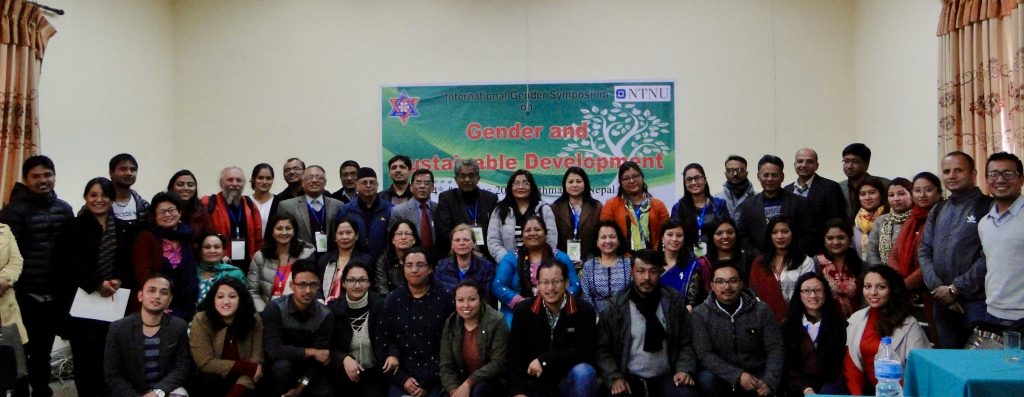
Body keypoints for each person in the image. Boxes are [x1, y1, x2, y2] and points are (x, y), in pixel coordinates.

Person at [0, 155, 74, 397]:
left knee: (43, 350)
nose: (43, 180)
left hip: (56, 296)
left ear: (54, 176)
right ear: (26, 179)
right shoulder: (13, 212)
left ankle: (43, 392)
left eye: (47, 175)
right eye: (36, 176)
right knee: (21, 351)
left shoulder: (64, 209)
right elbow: (9, 255)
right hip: (23, 296)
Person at [596, 249, 698, 397]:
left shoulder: (673, 302)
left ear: (660, 272)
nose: (647, 277)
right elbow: (603, 350)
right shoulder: (616, 307)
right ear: (632, 273)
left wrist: (684, 369)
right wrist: (615, 377)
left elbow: (685, 343)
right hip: (629, 377)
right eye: (641, 271)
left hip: (667, 376)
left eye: (653, 271)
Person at [67, 177, 134, 397]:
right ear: (85, 198)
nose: (99, 199)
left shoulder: (123, 228)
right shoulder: (73, 226)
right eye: (93, 195)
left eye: (104, 194)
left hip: (114, 301)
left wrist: (119, 280)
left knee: (111, 356)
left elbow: (127, 261)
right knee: (84, 358)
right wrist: (97, 283)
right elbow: (69, 262)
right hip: (83, 301)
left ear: (112, 198)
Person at [919, 151, 993, 348]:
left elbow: (989, 256)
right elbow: (925, 251)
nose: (951, 176)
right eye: (946, 171)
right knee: (948, 360)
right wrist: (940, 290)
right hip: (942, 301)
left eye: (958, 170)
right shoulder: (939, 209)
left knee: (974, 363)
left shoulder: (987, 207)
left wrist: (956, 288)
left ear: (973, 173)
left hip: (975, 301)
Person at [507, 259, 599, 397]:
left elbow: (586, 352)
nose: (550, 288)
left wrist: (546, 360)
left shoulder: (584, 311)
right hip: (534, 382)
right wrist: (518, 391)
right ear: (537, 285)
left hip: (567, 380)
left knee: (585, 372)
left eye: (556, 281)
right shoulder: (523, 310)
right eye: (545, 282)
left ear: (566, 283)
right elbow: (515, 355)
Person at [692, 263, 783, 397]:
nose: (727, 287)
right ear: (712, 286)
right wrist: (737, 375)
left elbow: (775, 348)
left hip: (756, 373)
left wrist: (770, 381)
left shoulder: (761, 310)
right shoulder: (700, 314)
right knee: (706, 379)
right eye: (720, 282)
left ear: (741, 284)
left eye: (733, 281)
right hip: (722, 374)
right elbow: (704, 354)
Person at [377, 247, 454, 397]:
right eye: (409, 265)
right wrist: (403, 379)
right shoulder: (392, 300)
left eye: (420, 265)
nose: (414, 270)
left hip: (439, 376)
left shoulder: (445, 297)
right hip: (402, 377)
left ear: (430, 268)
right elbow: (382, 343)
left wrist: (427, 384)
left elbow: (451, 345)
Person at [843, 265, 929, 395]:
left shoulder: (909, 324)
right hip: (868, 391)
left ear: (893, 290)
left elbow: (920, 372)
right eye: (867, 286)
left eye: (881, 287)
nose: (873, 292)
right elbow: (851, 366)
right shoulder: (856, 319)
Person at [104, 275, 192, 397]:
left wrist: (158, 392)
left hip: (165, 391)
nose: (157, 296)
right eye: (151, 290)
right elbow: (113, 374)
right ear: (140, 296)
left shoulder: (178, 326)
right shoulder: (118, 328)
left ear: (169, 300)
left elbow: (182, 367)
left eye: (164, 293)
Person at [260, 262, 335, 397]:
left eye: (313, 285)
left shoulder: (325, 315)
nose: (308, 290)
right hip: (279, 368)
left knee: (325, 391)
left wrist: (299, 389)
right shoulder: (275, 308)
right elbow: (273, 351)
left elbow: (319, 360)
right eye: (302, 285)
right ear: (291, 286)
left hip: (309, 374)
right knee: (281, 368)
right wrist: (310, 352)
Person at [493, 215, 580, 326]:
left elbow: (575, 285)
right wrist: (521, 302)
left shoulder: (560, 257)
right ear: (522, 235)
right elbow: (498, 286)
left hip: (555, 308)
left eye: (537, 229)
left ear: (545, 233)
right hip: (517, 311)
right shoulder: (510, 258)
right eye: (528, 230)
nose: (532, 233)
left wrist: (555, 299)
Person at [886, 172, 943, 341]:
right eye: (917, 190)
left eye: (928, 190)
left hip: (930, 293)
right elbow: (894, 254)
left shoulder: (942, 217)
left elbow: (931, 260)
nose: (922, 195)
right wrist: (898, 283)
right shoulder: (912, 218)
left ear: (939, 193)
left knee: (931, 342)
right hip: (906, 294)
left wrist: (904, 286)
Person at [189, 277, 264, 397]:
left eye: (232, 296)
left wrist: (236, 392)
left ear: (241, 299)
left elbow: (257, 361)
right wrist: (246, 367)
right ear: (213, 299)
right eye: (220, 297)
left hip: (243, 381)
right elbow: (204, 363)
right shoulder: (201, 320)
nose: (226, 302)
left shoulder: (253, 319)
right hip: (212, 379)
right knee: (209, 381)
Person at [133, 192, 199, 320]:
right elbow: (142, 274)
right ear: (155, 216)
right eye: (162, 211)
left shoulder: (187, 236)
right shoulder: (146, 237)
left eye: (171, 210)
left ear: (179, 212)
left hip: (184, 305)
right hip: (155, 303)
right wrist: (160, 303)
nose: (167, 215)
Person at [978, 152, 1024, 332]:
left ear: (1021, 179)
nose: (1000, 179)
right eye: (994, 174)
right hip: (993, 313)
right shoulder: (985, 223)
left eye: (1008, 174)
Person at [439, 280, 509, 397]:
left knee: (479, 392)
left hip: (491, 382)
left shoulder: (496, 321)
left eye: (472, 299)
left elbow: (498, 363)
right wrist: (454, 391)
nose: (466, 305)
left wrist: (469, 383)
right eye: (460, 300)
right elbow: (446, 366)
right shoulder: (451, 323)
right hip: (460, 382)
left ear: (481, 300)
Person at [782, 273, 848, 396]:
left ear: (826, 293)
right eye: (807, 291)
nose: (813, 295)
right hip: (797, 388)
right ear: (799, 294)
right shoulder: (788, 326)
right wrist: (805, 389)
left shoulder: (839, 324)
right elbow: (788, 364)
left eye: (818, 290)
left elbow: (842, 363)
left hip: (832, 388)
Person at [326, 261, 385, 397]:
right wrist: (343, 358)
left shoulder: (381, 305)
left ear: (369, 283)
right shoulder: (333, 309)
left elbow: (390, 339)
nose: (357, 285)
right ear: (343, 283)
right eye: (351, 280)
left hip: (375, 373)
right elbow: (328, 346)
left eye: (362, 280)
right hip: (342, 372)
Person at [736, 154, 813, 254]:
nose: (769, 179)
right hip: (759, 261)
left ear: (782, 177)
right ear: (758, 177)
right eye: (765, 175)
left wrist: (791, 255)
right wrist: (758, 256)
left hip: (792, 260)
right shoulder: (748, 205)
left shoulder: (800, 203)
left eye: (774, 175)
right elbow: (742, 235)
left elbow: (809, 234)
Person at [747, 217, 815, 323]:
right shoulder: (759, 262)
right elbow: (753, 295)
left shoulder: (805, 261)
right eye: (774, 232)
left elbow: (809, 293)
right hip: (766, 321)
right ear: (769, 236)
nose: (780, 236)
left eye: (785, 232)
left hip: (798, 320)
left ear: (793, 234)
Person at [246, 213, 316, 311]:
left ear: (294, 231)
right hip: (266, 312)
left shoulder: (305, 255)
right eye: (279, 228)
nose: (284, 232)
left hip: (298, 313)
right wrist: (266, 313)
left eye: (288, 228)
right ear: (272, 232)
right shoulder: (260, 257)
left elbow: (312, 288)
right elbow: (253, 292)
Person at [784, 148, 847, 253]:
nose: (803, 165)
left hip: (820, 250)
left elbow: (837, 220)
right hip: (792, 250)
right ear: (794, 164)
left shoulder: (830, 187)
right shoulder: (787, 190)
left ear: (817, 165)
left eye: (809, 162)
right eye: (800, 161)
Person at [435, 159, 499, 260]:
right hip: (456, 256)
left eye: (471, 175)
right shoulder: (446, 198)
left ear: (478, 178)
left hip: (486, 255)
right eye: (463, 176)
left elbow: (496, 231)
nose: (467, 179)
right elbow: (444, 231)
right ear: (456, 179)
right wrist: (469, 250)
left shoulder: (491, 199)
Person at [487, 169, 558, 261]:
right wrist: (509, 261)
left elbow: (551, 239)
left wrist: (537, 260)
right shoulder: (499, 210)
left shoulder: (544, 209)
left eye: (525, 183)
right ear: (510, 187)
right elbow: (493, 241)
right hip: (509, 266)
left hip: (539, 266)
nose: (521, 187)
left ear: (531, 187)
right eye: (516, 183)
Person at [200, 166, 263, 269]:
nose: (234, 184)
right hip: (218, 265)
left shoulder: (250, 205)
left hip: (247, 266)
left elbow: (258, 239)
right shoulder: (208, 204)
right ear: (221, 183)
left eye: (239, 180)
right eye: (230, 180)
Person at [601, 161, 670, 251]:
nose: (632, 181)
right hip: (621, 260)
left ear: (642, 177)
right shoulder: (611, 205)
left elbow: (667, 233)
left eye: (635, 176)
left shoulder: (658, 205)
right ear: (621, 182)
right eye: (626, 178)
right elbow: (604, 234)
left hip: (653, 259)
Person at [277, 165, 346, 255]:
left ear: (325, 182)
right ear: (302, 182)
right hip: (300, 258)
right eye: (310, 177)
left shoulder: (338, 205)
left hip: (330, 258)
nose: (314, 180)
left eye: (319, 178)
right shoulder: (287, 206)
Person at [337, 167, 393, 265]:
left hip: (383, 262)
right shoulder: (346, 210)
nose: (368, 185)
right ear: (356, 185)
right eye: (364, 182)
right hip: (354, 262)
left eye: (372, 182)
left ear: (377, 185)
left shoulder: (389, 209)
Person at [670, 163, 728, 257]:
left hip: (714, 259)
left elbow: (725, 233)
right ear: (685, 183)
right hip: (687, 261)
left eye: (697, 178)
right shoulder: (678, 208)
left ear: (705, 180)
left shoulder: (718, 205)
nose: (693, 182)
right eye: (689, 179)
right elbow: (674, 236)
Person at [551, 167, 603, 269]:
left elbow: (600, 237)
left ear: (585, 183)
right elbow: (552, 240)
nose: (574, 185)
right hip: (561, 264)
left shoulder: (596, 207)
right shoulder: (555, 208)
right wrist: (562, 260)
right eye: (570, 182)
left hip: (592, 264)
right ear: (565, 185)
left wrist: (587, 261)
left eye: (578, 181)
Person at [434, 224, 497, 306]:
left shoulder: (487, 267)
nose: (462, 243)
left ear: (474, 243)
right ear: (452, 244)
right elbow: (438, 296)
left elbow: (488, 299)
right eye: (457, 240)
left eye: (466, 240)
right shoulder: (441, 266)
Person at [579, 221, 632, 315]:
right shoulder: (589, 266)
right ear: (597, 242)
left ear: (619, 241)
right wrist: (596, 318)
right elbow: (586, 295)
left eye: (612, 237)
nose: (608, 241)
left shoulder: (628, 264)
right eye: (603, 237)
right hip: (596, 320)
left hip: (625, 318)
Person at [814, 219, 863, 318]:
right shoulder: (815, 263)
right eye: (830, 238)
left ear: (849, 240)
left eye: (841, 237)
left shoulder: (861, 265)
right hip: (827, 322)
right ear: (824, 240)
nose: (835, 242)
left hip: (858, 322)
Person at [317, 218, 372, 304]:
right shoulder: (325, 259)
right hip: (325, 308)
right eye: (340, 233)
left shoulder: (366, 260)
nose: (344, 237)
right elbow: (317, 286)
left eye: (348, 233)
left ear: (356, 236)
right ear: (335, 237)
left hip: (353, 306)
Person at [658, 218, 708, 310]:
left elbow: (691, 302)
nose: (674, 239)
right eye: (669, 235)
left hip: (684, 315)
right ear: (662, 238)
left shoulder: (692, 265)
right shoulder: (654, 263)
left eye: (679, 235)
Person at [0, 222, 25, 393]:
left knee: (15, 373)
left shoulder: (4, 229)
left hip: (6, 311)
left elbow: (16, 261)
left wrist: (3, 279)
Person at [866, 177, 914, 265]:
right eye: (891, 195)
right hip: (884, 274)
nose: (896, 199)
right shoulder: (880, 221)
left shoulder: (918, 219)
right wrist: (882, 273)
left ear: (912, 195)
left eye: (901, 194)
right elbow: (872, 251)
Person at [389, 169, 437, 254]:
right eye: (418, 182)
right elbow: (392, 241)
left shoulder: (439, 208)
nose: (422, 186)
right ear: (411, 188)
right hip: (409, 260)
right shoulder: (398, 211)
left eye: (426, 183)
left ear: (432, 188)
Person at [839, 143, 890, 220]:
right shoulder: (838, 187)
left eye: (855, 161)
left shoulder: (885, 185)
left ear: (867, 164)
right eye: (846, 161)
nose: (849, 166)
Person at [195, 232, 247, 304]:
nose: (212, 251)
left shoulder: (235, 273)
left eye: (217, 247)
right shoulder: (191, 272)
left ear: (223, 251)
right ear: (200, 252)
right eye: (207, 247)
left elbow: (243, 302)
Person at [373, 220, 421, 295]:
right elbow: (381, 287)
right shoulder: (384, 260)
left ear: (414, 239)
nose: (403, 237)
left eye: (407, 234)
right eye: (399, 234)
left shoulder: (421, 258)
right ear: (393, 240)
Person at [108, 153, 151, 228]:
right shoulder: (98, 204)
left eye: (133, 169)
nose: (129, 173)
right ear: (111, 173)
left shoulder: (144, 207)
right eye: (123, 169)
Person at [167, 169, 211, 239]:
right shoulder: (161, 209)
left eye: (190, 185)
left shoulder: (202, 212)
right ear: (171, 187)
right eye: (180, 184)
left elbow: (207, 238)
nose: (186, 188)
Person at [853, 177, 889, 260]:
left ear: (881, 194)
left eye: (872, 193)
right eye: (862, 194)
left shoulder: (890, 219)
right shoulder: (857, 224)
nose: (867, 197)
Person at [714, 155, 756, 220]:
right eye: (730, 170)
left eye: (740, 170)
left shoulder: (757, 198)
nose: (735, 174)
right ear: (725, 174)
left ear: (746, 173)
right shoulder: (717, 199)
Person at [248, 163, 279, 236]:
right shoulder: (244, 202)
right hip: (249, 246)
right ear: (253, 179)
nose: (264, 182)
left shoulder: (279, 203)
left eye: (268, 178)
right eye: (260, 178)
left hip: (271, 246)